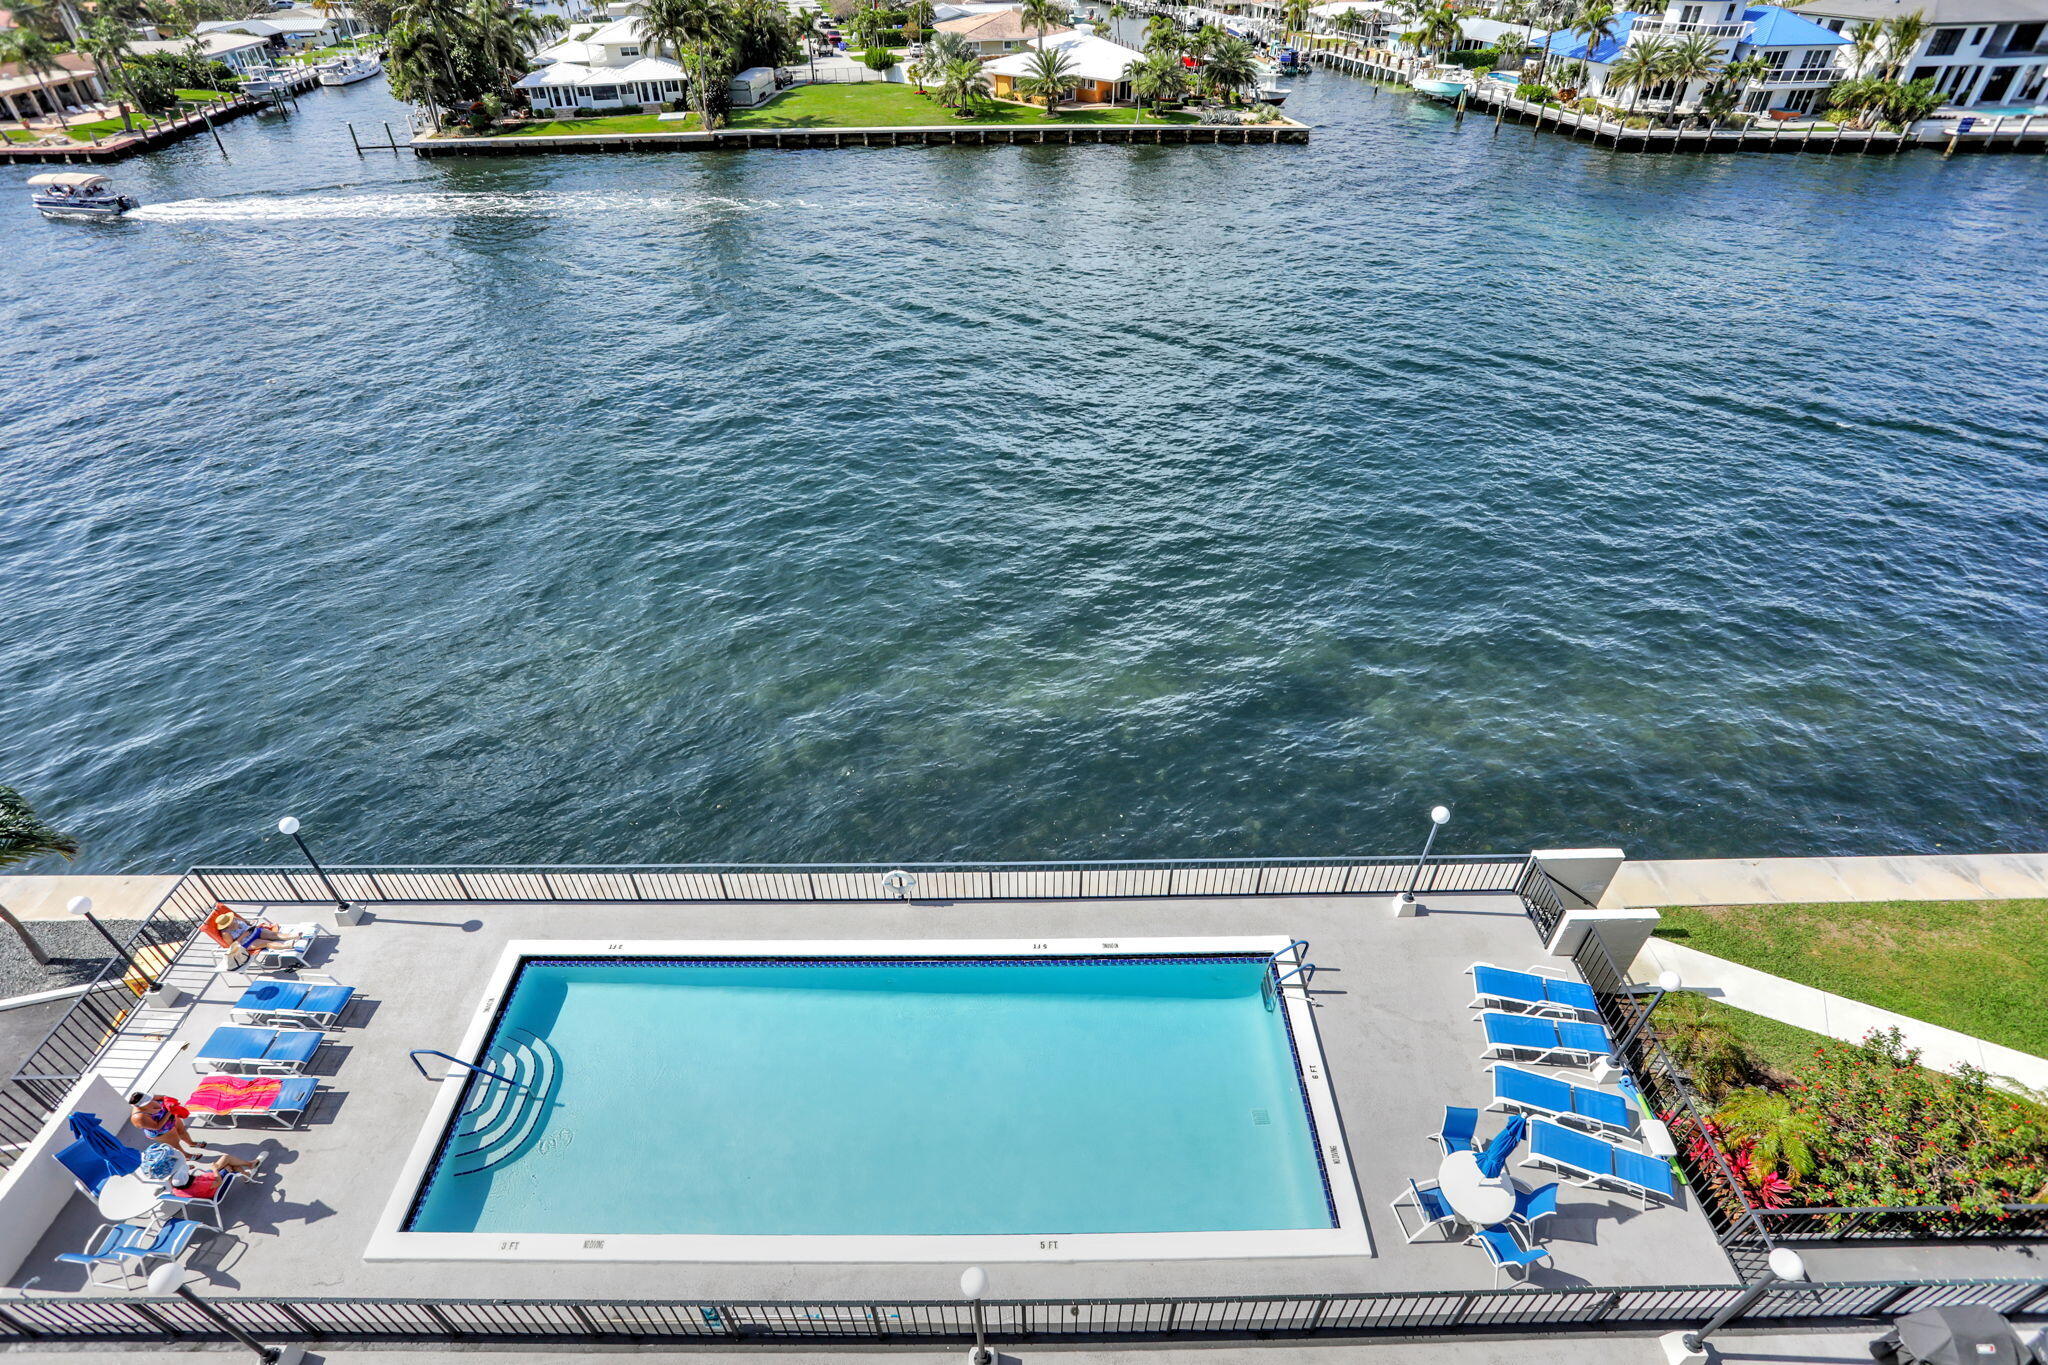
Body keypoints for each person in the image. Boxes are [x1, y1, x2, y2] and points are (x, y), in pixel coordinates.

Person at [137, 1142, 257, 1202]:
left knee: (225, 1160)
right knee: (229, 1162)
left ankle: (247, 1172)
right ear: (189, 1179)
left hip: (205, 1183)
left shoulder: (176, 1188)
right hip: (215, 1191)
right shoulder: (198, 1185)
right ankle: (248, 1170)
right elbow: (218, 1182)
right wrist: (215, 1169)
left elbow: (176, 1180)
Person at [129, 1092, 204, 1157]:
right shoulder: (138, 1117)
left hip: (172, 1119)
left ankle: (191, 1143)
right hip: (162, 1132)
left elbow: (163, 1097)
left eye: (149, 1099)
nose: (150, 1100)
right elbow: (157, 1127)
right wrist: (169, 1111)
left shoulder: (149, 1098)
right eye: (147, 1101)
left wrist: (170, 1103)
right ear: (139, 1105)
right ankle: (186, 1156)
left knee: (182, 1132)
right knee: (176, 1145)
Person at [208, 904, 292, 955]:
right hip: (247, 942)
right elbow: (232, 946)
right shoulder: (226, 933)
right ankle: (287, 946)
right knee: (267, 943)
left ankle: (294, 936)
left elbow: (247, 923)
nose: (232, 920)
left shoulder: (235, 918)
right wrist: (244, 935)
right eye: (230, 921)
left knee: (274, 935)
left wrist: (251, 923)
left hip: (254, 931)